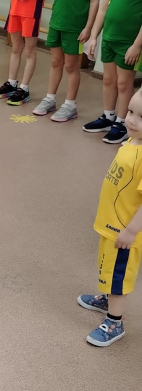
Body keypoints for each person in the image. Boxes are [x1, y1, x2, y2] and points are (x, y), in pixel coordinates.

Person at [77, 89, 142, 347]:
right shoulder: (132, 141)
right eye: (131, 111)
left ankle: (115, 322)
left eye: (141, 117)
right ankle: (107, 299)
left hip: (125, 231)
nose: (132, 120)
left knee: (118, 276)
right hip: (111, 224)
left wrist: (131, 231)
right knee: (107, 266)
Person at [33, 0, 105, 123]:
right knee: (55, 62)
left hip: (75, 28)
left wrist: (88, 28)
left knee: (71, 66)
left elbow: (95, 2)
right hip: (57, 22)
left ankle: (70, 105)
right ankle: (50, 99)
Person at [82, 0, 142, 146]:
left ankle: (122, 122)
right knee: (108, 80)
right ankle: (108, 116)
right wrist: (94, 37)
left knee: (124, 83)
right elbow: (103, 9)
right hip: (109, 38)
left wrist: (137, 45)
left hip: (129, 42)